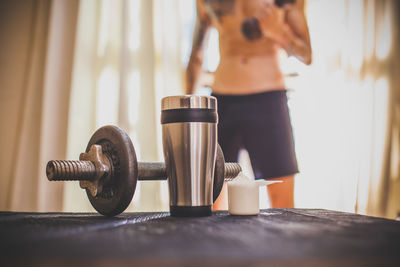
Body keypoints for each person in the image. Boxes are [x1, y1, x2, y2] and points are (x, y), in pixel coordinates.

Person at [186, 0, 312, 209]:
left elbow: (306, 54)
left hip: (268, 101)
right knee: (212, 202)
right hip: (222, 102)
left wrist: (277, 31)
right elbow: (196, 55)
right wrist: (187, 113)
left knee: (283, 206)